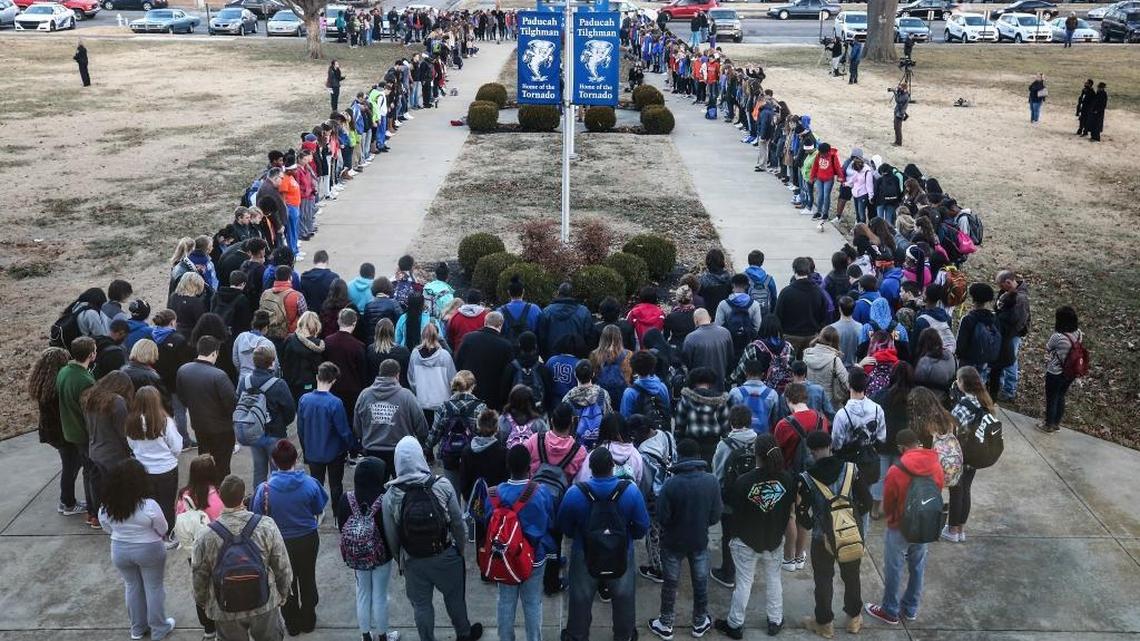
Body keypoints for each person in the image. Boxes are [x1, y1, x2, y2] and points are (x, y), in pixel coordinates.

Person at [382, 436, 483, 641]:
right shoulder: (442, 485)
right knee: (455, 599)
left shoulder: (391, 496)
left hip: (414, 560)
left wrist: (402, 561)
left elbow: (392, 538)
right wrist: (459, 550)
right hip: (445, 554)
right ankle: (464, 633)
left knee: (421, 606)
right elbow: (457, 523)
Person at [557, 448, 650, 641]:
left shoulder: (575, 493)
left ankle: (576, 635)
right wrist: (626, 537)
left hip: (584, 552)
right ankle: (624, 636)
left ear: (590, 468)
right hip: (622, 552)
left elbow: (564, 527)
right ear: (613, 467)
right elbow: (642, 526)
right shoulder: (630, 491)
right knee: (624, 598)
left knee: (580, 600)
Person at [192, 474, 293, 641]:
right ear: (243, 496)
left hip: (224, 605)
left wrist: (204, 602)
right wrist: (283, 594)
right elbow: (282, 564)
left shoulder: (205, 535)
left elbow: (198, 574)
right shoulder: (266, 525)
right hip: (264, 600)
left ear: (221, 497)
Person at [717, 433, 794, 638]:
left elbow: (735, 511)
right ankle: (775, 620)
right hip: (774, 540)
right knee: (774, 579)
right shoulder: (787, 479)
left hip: (746, 541)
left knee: (743, 582)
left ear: (756, 455)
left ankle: (735, 624)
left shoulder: (744, 481)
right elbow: (788, 511)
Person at [797, 430, 871, 638]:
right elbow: (867, 501)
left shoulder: (806, 477)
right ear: (830, 445)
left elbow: (802, 514)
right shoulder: (851, 469)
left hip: (822, 538)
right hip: (850, 535)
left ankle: (824, 623)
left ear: (811, 451)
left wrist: (815, 523)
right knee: (852, 576)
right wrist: (851, 517)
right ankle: (854, 620)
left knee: (823, 579)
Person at [251, 440, 328, 635]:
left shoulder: (264, 489)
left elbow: (257, 515)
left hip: (279, 542)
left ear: (274, 461)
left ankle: (291, 622)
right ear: (296, 458)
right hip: (307, 539)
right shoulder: (310, 484)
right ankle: (308, 617)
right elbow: (318, 508)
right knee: (307, 577)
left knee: (284, 581)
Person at [649, 438, 722, 641]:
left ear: (679, 457)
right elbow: (716, 516)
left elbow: (662, 517)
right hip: (699, 541)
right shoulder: (711, 481)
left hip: (673, 542)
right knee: (700, 582)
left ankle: (666, 623)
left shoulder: (670, 485)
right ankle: (699, 622)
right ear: (698, 457)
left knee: (670, 584)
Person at [484, 445, 555, 641]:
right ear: (529, 466)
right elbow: (550, 522)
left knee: (505, 602)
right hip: (534, 558)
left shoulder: (492, 494)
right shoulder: (541, 492)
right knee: (532, 602)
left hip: (504, 557)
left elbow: (486, 523)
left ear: (508, 466)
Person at [99, 459, 176, 640]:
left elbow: (106, 527)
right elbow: (163, 529)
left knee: (132, 586)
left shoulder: (107, 507)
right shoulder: (149, 505)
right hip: (149, 549)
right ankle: (159, 628)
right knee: (154, 587)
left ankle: (137, 629)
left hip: (119, 549)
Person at [335, 457, 398, 641]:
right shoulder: (386, 498)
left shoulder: (346, 499)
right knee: (380, 595)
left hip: (357, 557)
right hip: (382, 556)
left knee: (362, 593)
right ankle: (383, 636)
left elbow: (342, 527)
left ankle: (365, 636)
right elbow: (392, 529)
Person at [125, 386, 182, 544]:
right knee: (167, 503)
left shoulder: (131, 422)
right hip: (166, 469)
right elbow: (176, 446)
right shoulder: (164, 421)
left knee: (148, 504)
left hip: (143, 470)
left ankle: (151, 533)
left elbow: (131, 445)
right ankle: (168, 534)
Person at [943, 366, 994, 543]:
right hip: (977, 453)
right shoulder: (984, 400)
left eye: (958, 380)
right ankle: (961, 529)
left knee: (956, 491)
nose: (956, 383)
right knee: (966, 489)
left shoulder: (964, 405)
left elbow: (950, 428)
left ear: (963, 383)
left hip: (962, 454)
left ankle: (952, 530)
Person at [176, 455, 224, 637]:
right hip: (218, 551)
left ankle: (208, 628)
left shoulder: (184, 495)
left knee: (201, 587)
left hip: (194, 551)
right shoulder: (219, 495)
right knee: (220, 586)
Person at [177, 336, 238, 478]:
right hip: (222, 430)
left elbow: (182, 397)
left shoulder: (183, 370)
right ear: (214, 353)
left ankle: (205, 491)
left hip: (199, 426)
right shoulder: (219, 375)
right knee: (222, 466)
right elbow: (232, 404)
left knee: (204, 462)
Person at [298, 361, 356, 509]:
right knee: (336, 485)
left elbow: (301, 429)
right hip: (334, 453)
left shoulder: (304, 400)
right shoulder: (335, 403)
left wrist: (306, 450)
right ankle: (337, 513)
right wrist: (353, 447)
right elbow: (343, 430)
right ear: (334, 380)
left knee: (316, 485)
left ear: (317, 377)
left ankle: (317, 512)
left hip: (313, 452)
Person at [237, 345, 296, 490]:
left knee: (259, 471)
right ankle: (277, 501)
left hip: (253, 431)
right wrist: (282, 424)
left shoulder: (245, 381)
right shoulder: (279, 384)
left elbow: (238, 399)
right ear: (272, 362)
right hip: (275, 433)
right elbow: (290, 411)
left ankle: (259, 501)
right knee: (279, 471)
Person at [355, 358, 428, 474]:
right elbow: (420, 423)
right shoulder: (407, 396)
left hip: (372, 450)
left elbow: (357, 425)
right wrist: (422, 441)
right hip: (400, 451)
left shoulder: (365, 395)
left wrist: (361, 439)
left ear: (380, 373)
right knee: (401, 489)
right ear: (397, 375)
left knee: (375, 490)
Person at [46, 342, 93, 520]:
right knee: (81, 469)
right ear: (91, 354)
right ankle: (72, 504)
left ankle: (67, 501)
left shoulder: (63, 373)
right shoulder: (83, 380)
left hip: (67, 431)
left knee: (73, 467)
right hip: (79, 433)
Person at [455, 312, 515, 411]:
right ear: (501, 325)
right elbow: (508, 375)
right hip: (493, 397)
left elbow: (458, 363)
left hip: (470, 391)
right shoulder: (506, 346)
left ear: (485, 322)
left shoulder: (468, 338)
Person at [775, 258, 829, 359]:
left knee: (789, 367)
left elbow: (777, 316)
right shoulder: (818, 292)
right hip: (811, 336)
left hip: (790, 336)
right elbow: (824, 315)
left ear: (794, 270)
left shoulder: (786, 292)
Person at [1040, 306, 1083, 433]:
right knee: (1061, 396)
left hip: (1055, 372)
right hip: (1070, 373)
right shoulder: (1079, 333)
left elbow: (1048, 348)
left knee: (1051, 398)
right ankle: (1056, 423)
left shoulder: (1058, 336)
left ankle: (1048, 424)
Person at [992, 270, 1030, 401]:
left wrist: (1008, 333)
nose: (1000, 289)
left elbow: (1019, 320)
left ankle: (1009, 390)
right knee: (1003, 358)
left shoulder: (1020, 298)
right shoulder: (1007, 292)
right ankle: (1000, 384)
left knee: (1010, 360)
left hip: (1011, 334)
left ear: (1008, 282)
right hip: (1004, 331)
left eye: (1001, 286)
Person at [325, 308, 370, 417]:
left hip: (332, 388)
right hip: (352, 392)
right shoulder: (358, 346)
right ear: (354, 323)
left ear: (339, 321)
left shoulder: (327, 341)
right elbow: (362, 372)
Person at [682, 309, 734, 393]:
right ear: (709, 318)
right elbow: (731, 358)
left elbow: (686, 362)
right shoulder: (725, 333)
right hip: (720, 383)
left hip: (700, 386)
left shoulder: (691, 338)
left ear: (696, 321)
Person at [539, 283, 593, 358]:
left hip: (552, 360)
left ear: (558, 293)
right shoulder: (584, 312)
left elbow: (541, 339)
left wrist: (547, 359)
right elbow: (590, 339)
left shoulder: (546, 312)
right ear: (572, 294)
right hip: (577, 362)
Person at [281, 311, 325, 402]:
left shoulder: (289, 340)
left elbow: (283, 360)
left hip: (290, 382)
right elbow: (318, 368)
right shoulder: (318, 344)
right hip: (309, 384)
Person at [727, 357, 778, 434]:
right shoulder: (772, 394)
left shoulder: (735, 392)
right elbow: (775, 419)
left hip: (739, 437)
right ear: (762, 375)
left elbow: (728, 417)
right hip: (762, 438)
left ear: (745, 373)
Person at [367, 318, 411, 388]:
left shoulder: (370, 350)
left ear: (376, 331)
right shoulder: (403, 351)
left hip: (376, 389)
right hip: (398, 389)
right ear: (393, 331)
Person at [892, 82, 910, 146]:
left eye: (901, 87)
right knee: (895, 127)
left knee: (898, 128)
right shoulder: (903, 93)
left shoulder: (905, 95)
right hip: (898, 112)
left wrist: (895, 93)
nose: (900, 88)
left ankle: (899, 142)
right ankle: (896, 141)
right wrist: (899, 92)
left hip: (900, 114)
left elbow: (898, 100)